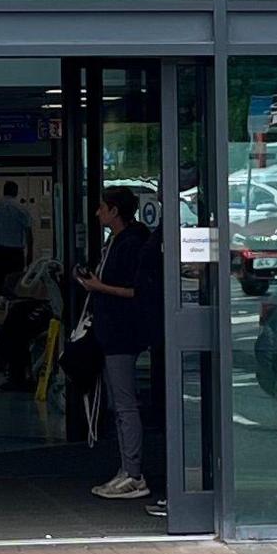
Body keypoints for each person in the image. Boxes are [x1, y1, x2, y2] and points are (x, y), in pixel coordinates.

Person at [78, 184, 164, 500]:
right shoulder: (117, 241)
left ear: (115, 211)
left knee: (125, 404)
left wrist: (98, 286)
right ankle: (127, 468)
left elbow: (134, 291)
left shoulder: (130, 244)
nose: (98, 212)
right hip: (113, 329)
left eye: (102, 207)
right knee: (120, 403)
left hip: (122, 332)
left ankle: (133, 473)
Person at [0, 181, 36, 304]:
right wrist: (30, 253)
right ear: (15, 192)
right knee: (16, 280)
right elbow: (28, 233)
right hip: (16, 252)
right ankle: (12, 306)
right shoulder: (21, 209)